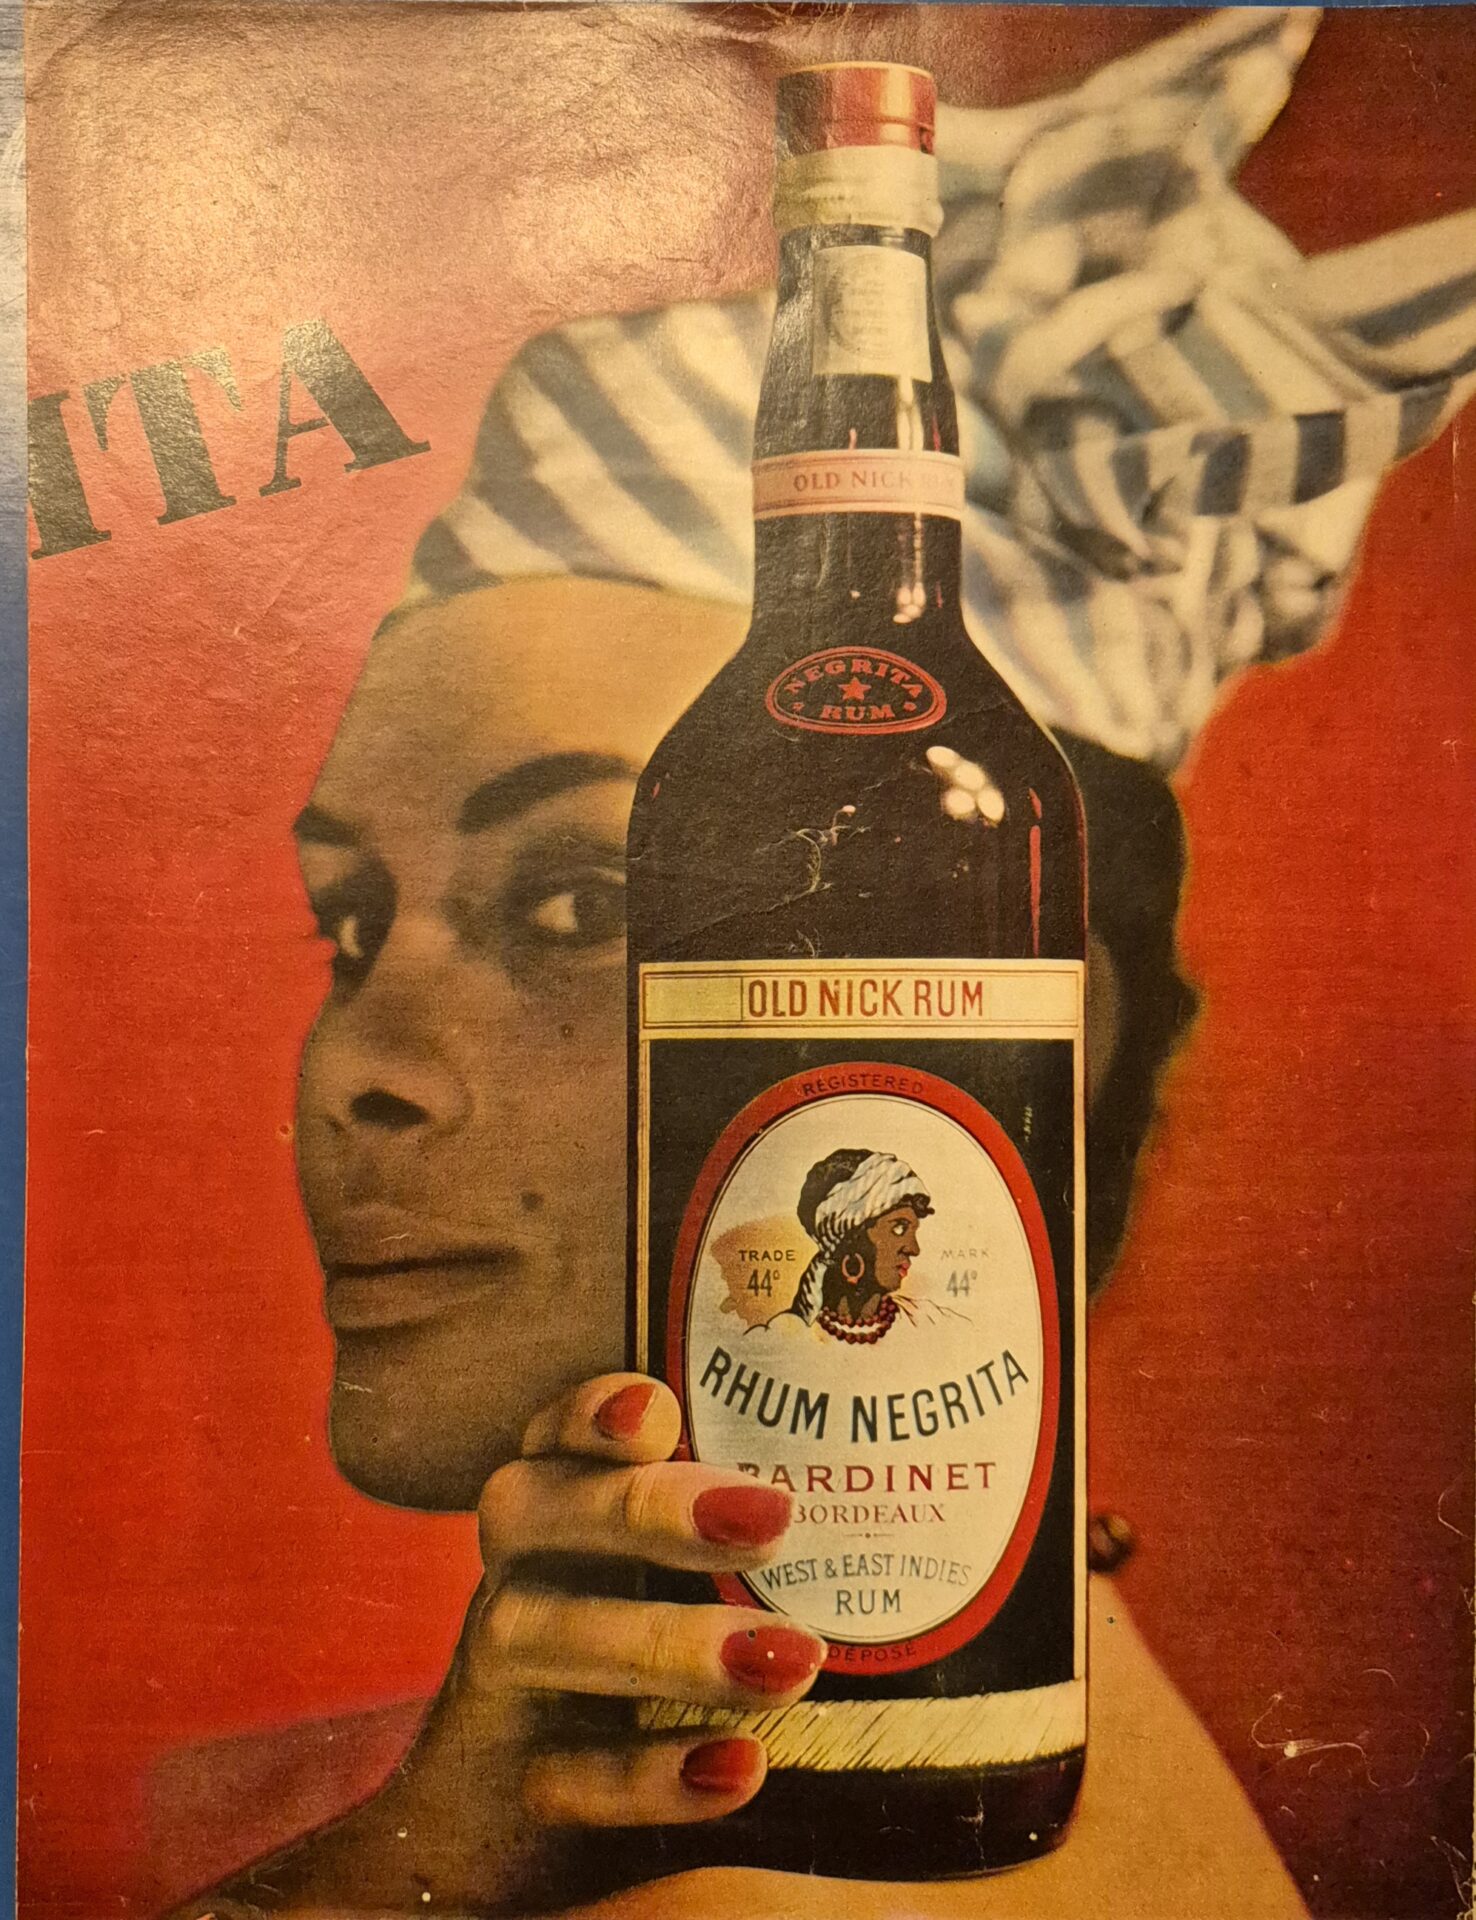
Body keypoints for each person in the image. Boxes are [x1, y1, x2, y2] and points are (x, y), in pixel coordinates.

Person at [156, 6, 1476, 1915]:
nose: (358, 1068)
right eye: (353, 924)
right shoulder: (452, 1803)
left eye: (578, 905)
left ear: (1032, 1025)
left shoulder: (745, 1896)